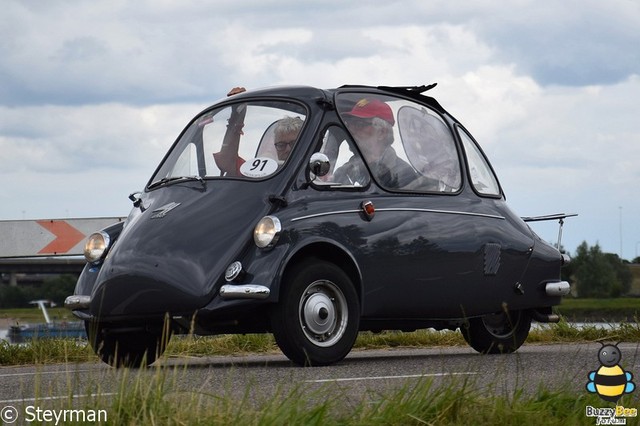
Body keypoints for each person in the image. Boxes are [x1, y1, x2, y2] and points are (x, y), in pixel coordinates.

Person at [213, 87, 303, 176]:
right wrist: (237, 115)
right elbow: (228, 163)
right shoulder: (264, 173)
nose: (288, 149)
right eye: (281, 145)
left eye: (293, 143)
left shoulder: (314, 173)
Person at [334, 98, 416, 188]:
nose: (351, 130)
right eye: (349, 124)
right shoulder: (342, 172)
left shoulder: (402, 174)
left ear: (381, 132)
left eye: (359, 124)